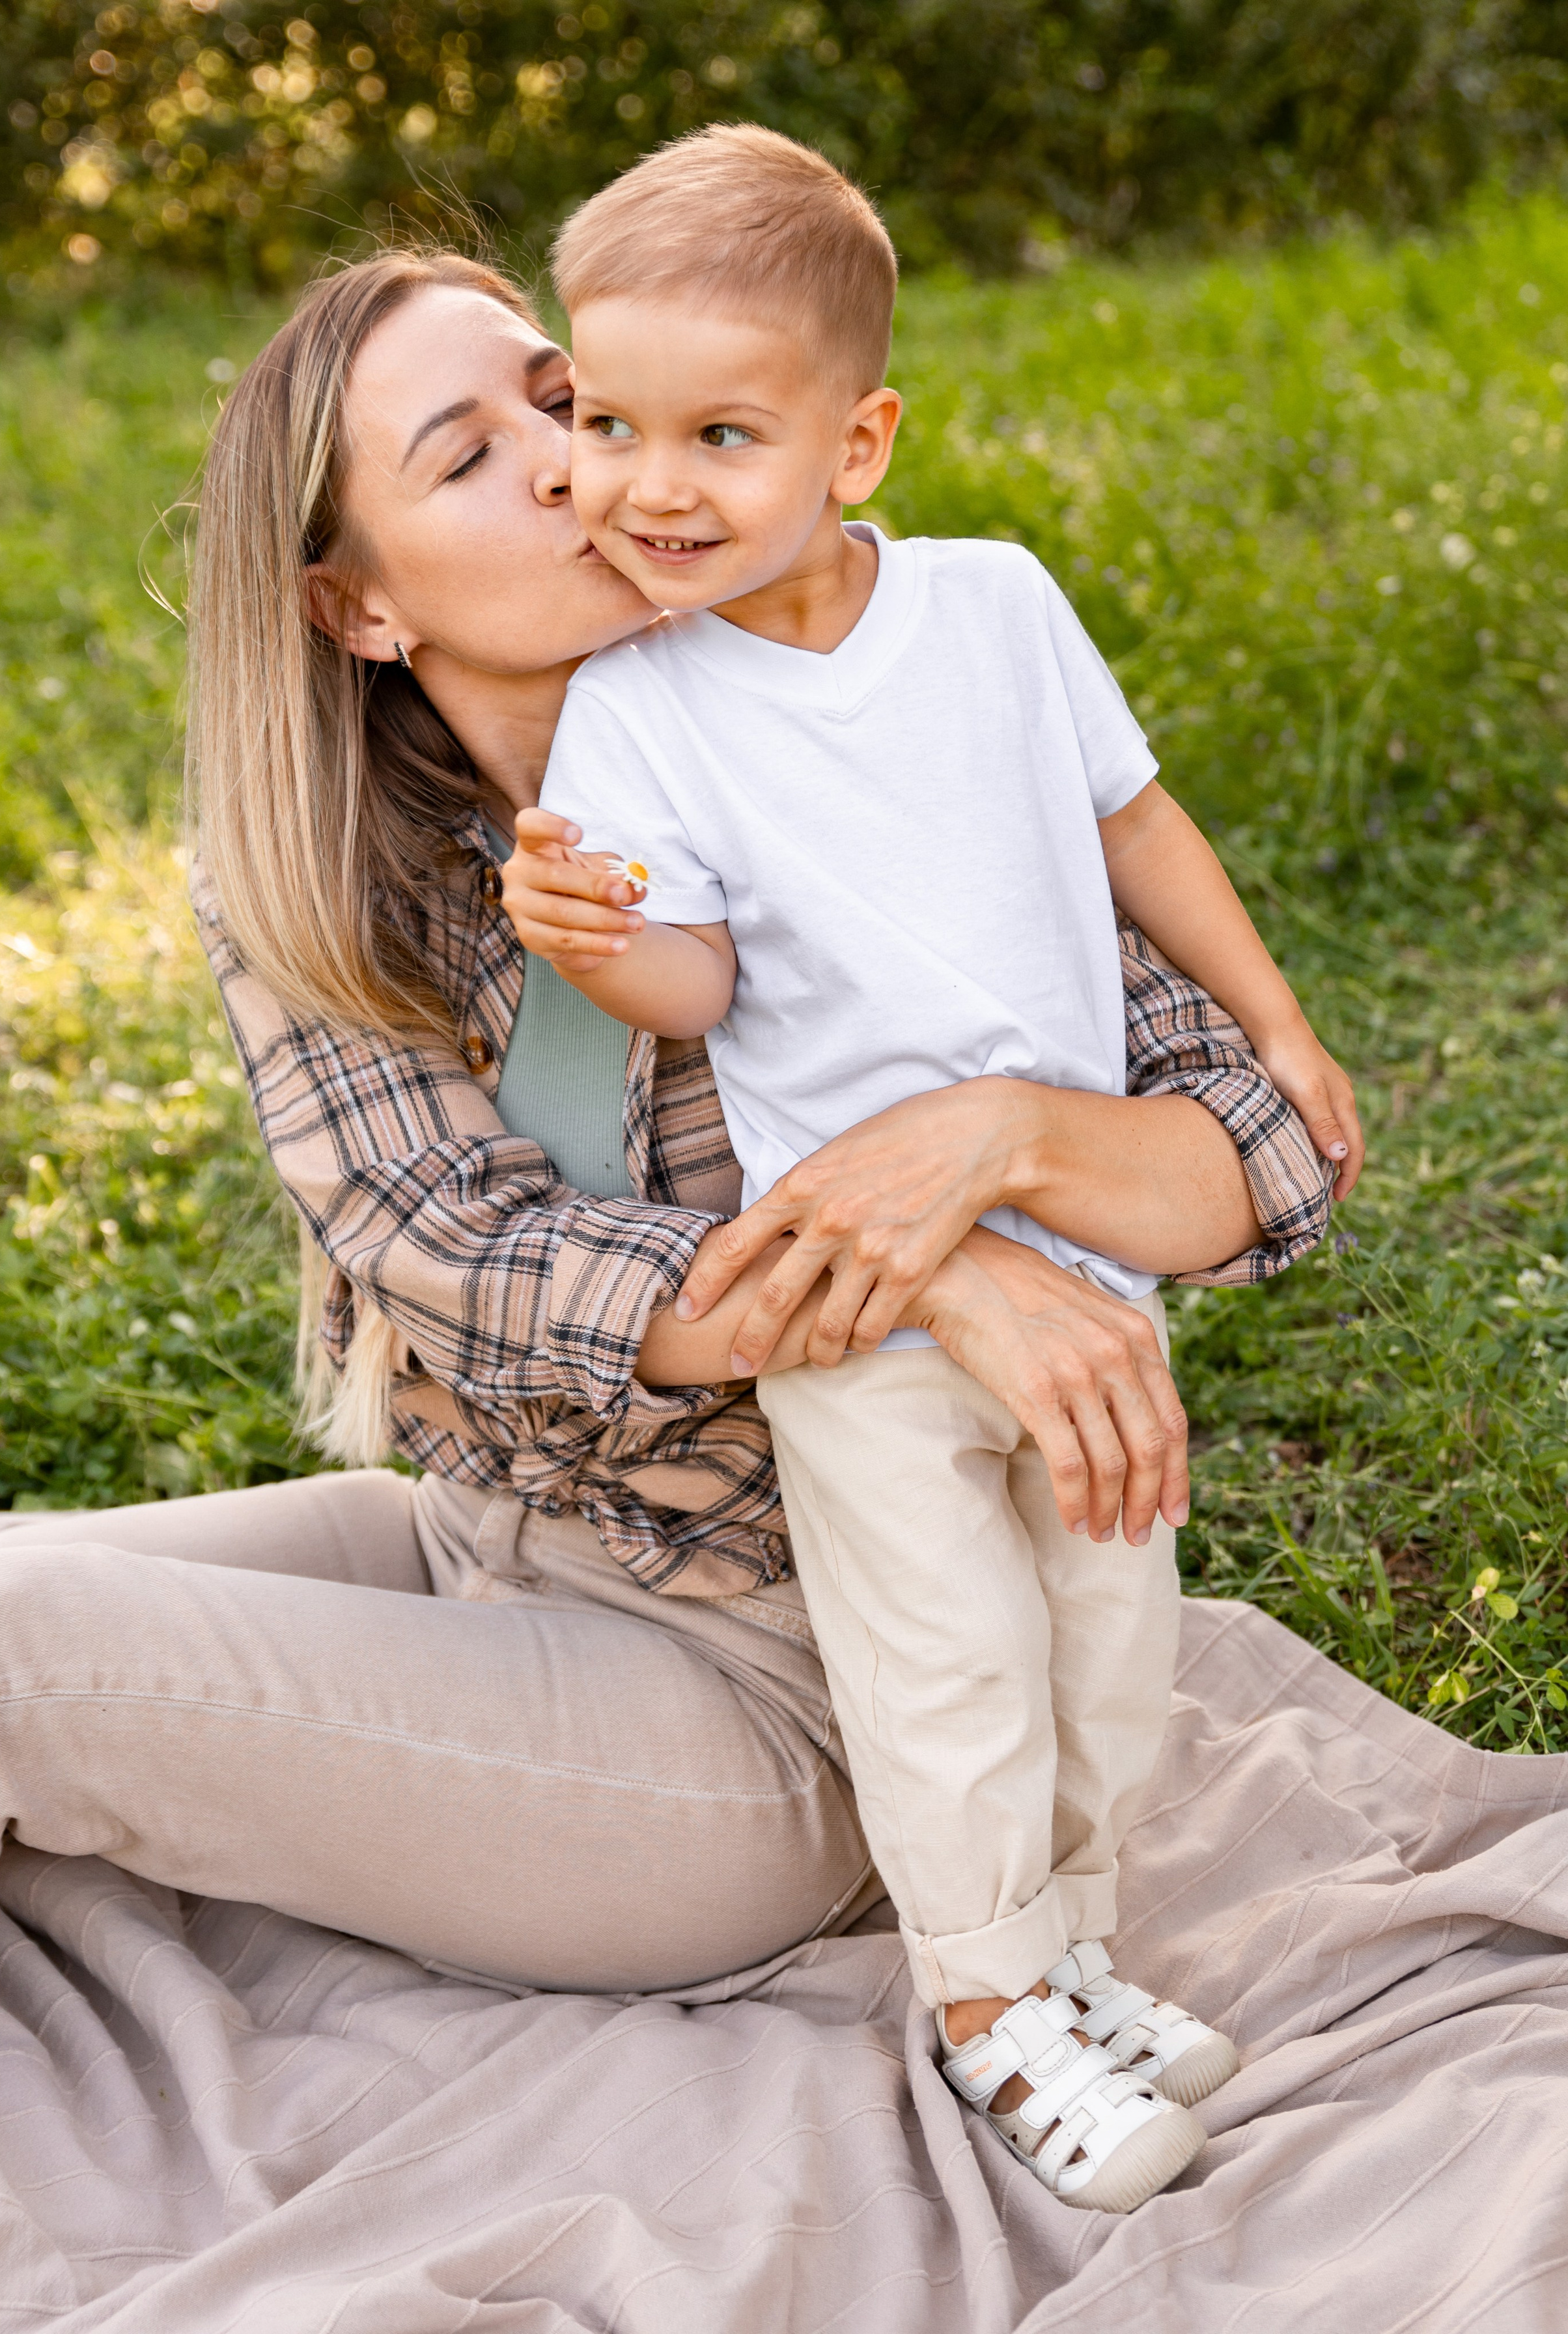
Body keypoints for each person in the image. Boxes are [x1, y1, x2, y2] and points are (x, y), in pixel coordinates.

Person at [0, 248, 1327, 2096]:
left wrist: (1003, 1142)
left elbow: (1259, 1145)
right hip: (508, 1541)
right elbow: (468, 1256)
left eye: (558, 400)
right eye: (470, 455)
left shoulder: (857, 722)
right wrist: (932, 1263)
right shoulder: (341, 877)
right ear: (358, 612)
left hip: (795, 1695)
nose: (569, 464)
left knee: (5, 1660)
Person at [501, 128, 1358, 2212]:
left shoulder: (995, 612)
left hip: (1086, 1255)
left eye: (719, 431)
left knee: (1107, 1634)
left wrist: (1274, 1025)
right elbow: (697, 992)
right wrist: (604, 947)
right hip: (864, 1295)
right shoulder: (639, 708)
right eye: (605, 425)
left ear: (857, 442)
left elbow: (1131, 824)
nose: (647, 484)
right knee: (945, 1658)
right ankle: (987, 2014)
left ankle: (1072, 1953)